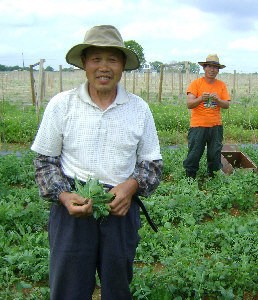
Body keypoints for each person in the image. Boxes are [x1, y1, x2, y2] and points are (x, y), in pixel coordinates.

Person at [31, 25, 163, 300]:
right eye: (96, 59)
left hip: (120, 211)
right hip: (72, 212)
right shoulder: (62, 105)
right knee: (68, 289)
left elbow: (152, 163)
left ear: (123, 65)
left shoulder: (138, 108)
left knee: (117, 287)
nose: (104, 67)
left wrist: (130, 186)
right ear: (84, 64)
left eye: (112, 59)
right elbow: (45, 162)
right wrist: (64, 195)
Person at [183, 54, 230, 178]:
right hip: (198, 126)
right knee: (194, 153)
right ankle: (190, 178)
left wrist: (218, 100)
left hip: (216, 126)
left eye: (215, 67)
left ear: (218, 70)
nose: (212, 69)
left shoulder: (221, 85)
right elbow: (189, 104)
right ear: (204, 68)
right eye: (209, 66)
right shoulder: (196, 84)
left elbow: (226, 105)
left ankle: (213, 177)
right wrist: (200, 99)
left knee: (214, 153)